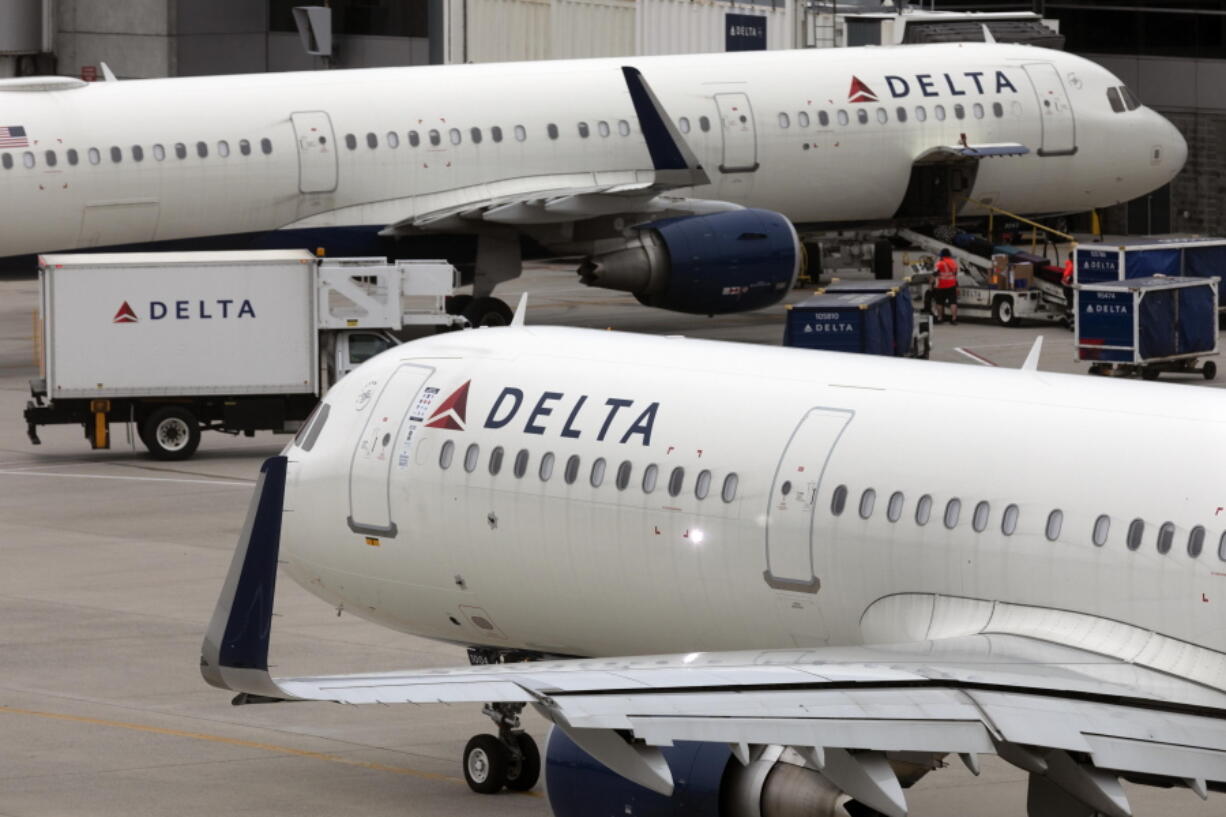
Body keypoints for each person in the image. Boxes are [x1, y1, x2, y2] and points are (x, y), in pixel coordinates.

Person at [932, 248, 959, 324]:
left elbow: (935, 273)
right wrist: (957, 286)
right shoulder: (954, 263)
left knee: (939, 302)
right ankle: (954, 319)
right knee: (953, 302)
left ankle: (940, 318)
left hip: (941, 286)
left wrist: (933, 283)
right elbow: (955, 275)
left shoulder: (939, 263)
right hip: (952, 285)